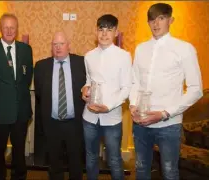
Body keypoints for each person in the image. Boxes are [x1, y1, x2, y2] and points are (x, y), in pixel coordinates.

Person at [129, 3, 203, 180]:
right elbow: (135, 81)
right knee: (141, 170)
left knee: (170, 173)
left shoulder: (185, 49)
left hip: (169, 125)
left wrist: (164, 113)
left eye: (161, 18)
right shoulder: (141, 49)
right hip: (141, 123)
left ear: (171, 20)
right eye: (152, 19)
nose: (156, 24)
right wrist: (132, 104)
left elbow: (196, 89)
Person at [0, 13, 33, 180]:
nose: (9, 30)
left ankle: (19, 177)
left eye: (13, 27)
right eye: (6, 27)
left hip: (21, 111)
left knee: (19, 150)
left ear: (17, 29)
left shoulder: (26, 50)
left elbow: (26, 77)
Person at [81, 14, 132, 180]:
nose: (104, 34)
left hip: (112, 118)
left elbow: (127, 88)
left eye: (109, 30)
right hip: (89, 117)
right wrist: (85, 89)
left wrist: (108, 106)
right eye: (101, 29)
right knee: (90, 158)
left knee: (114, 159)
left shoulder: (124, 56)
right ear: (96, 32)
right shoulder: (88, 56)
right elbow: (89, 81)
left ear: (116, 32)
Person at [34, 31, 86, 180]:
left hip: (74, 123)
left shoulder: (81, 63)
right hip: (52, 124)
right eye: (54, 44)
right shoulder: (41, 66)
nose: (58, 47)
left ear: (68, 45)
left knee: (76, 162)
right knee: (54, 162)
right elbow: (39, 94)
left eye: (61, 44)